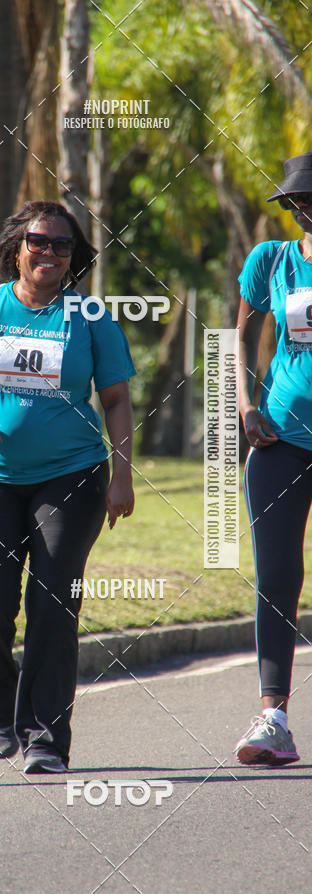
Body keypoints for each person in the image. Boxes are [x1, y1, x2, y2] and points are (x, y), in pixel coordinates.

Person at [0, 200, 135, 773]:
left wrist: (121, 474)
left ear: (75, 257)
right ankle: (0, 710)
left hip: (72, 476)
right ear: (17, 247)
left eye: (63, 245)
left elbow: (116, 397)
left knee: (54, 604)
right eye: (39, 241)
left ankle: (45, 738)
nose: (50, 252)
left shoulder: (89, 314)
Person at [235, 152, 312, 765]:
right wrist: (243, 401)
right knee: (277, 575)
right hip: (280, 439)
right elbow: (240, 334)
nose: (305, 210)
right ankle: (273, 719)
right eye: (298, 203)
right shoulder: (274, 260)